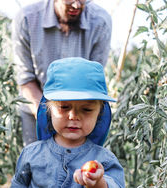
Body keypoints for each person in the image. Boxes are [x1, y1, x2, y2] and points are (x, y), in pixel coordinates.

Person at [7, 57, 126, 188]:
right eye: (64, 107)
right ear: (49, 109)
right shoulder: (31, 155)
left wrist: (96, 184)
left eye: (86, 110)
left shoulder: (103, 159)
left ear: (99, 114)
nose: (73, 116)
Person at [12, 0, 112, 145]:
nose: (77, 5)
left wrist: (75, 119)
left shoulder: (100, 22)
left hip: (80, 115)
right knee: (35, 160)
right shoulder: (27, 19)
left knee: (80, 163)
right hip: (36, 106)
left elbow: (93, 80)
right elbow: (26, 79)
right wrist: (49, 117)